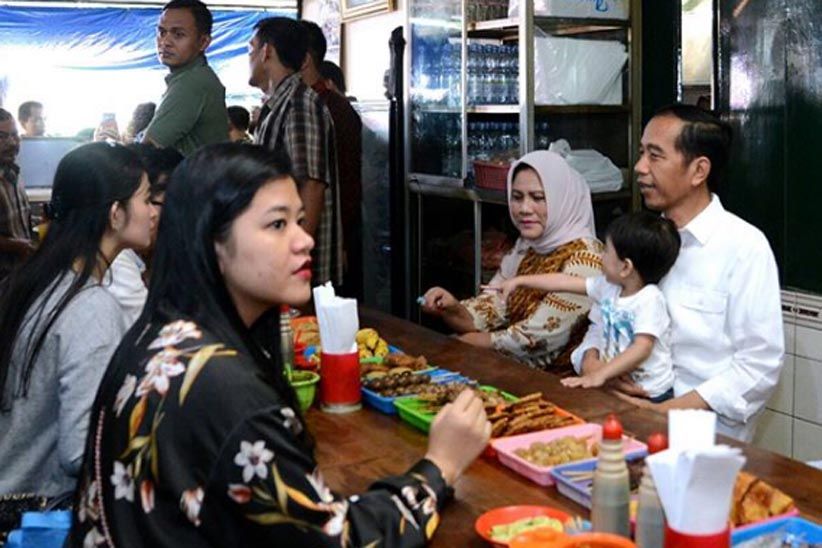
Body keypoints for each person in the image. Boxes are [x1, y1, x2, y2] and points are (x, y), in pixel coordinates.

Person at [68, 144, 490, 547]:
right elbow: (338, 539)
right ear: (212, 241)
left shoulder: (163, 331)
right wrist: (441, 465)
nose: (304, 239)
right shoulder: (222, 387)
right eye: (277, 224)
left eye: (299, 221)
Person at [573, 104, 784, 441]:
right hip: (619, 421)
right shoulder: (638, 238)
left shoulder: (744, 247)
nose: (640, 167)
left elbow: (759, 365)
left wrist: (664, 411)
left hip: (702, 438)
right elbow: (602, 320)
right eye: (641, 153)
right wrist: (593, 364)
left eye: (655, 156)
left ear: (699, 170)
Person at [0, 143, 156, 501]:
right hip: (41, 513)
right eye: (147, 200)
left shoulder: (31, 281)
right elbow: (82, 450)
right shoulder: (91, 307)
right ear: (115, 214)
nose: (154, 212)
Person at [422, 151, 603, 371]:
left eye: (538, 198)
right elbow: (497, 303)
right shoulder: (527, 246)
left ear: (562, 199)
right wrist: (453, 308)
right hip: (514, 372)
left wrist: (475, 341)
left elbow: (540, 336)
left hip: (561, 384)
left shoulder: (587, 259)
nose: (524, 209)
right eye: (517, 197)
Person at [493, 211, 680, 402]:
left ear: (625, 267)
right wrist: (520, 281)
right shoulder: (608, 287)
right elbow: (564, 281)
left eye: (606, 251)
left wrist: (600, 375)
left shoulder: (649, 300)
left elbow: (642, 348)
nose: (600, 257)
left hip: (650, 393)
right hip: (613, 380)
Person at [250, 17, 341, 287]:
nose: (249, 57)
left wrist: (295, 255)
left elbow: (311, 185)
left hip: (300, 268)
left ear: (266, 52)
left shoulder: (299, 103)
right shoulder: (278, 104)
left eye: (250, 49)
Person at [300, 20, 363, 299]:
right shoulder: (302, 103)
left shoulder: (329, 107)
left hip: (329, 241)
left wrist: (344, 242)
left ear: (303, 59)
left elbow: (346, 180)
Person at [105, 144, 183, 325]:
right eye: (146, 201)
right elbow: (152, 329)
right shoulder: (116, 263)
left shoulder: (139, 255)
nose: (152, 214)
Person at [143, 0, 229, 155]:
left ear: (203, 42)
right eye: (162, 32)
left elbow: (147, 148)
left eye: (178, 34)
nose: (165, 42)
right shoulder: (195, 76)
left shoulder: (192, 82)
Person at [0, 109, 33, 282]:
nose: (12, 143)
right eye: (2, 137)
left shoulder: (13, 172)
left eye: (14, 135)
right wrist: (15, 245)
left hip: (19, 274)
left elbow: (17, 217)